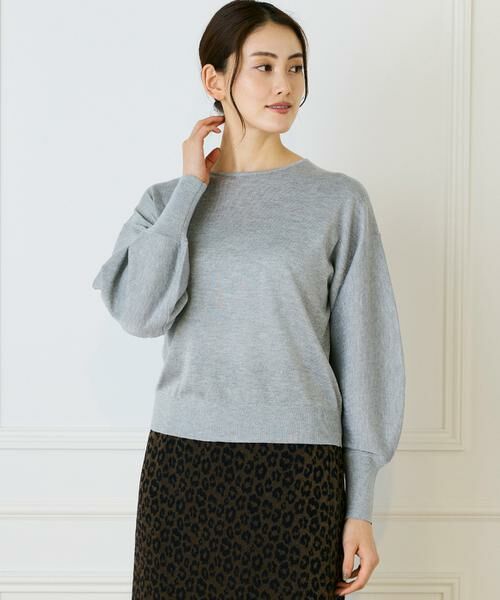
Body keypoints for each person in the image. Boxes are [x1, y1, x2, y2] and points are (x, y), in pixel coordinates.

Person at [92, 1, 405, 598]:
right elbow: (140, 313)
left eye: (295, 67)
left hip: (298, 469)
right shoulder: (165, 203)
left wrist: (361, 507)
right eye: (263, 66)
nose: (284, 84)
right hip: (184, 466)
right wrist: (191, 189)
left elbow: (367, 359)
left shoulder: (338, 202)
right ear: (215, 80)